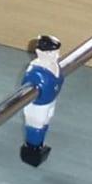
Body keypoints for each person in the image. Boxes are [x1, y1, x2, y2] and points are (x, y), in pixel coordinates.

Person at [19, 34, 65, 167]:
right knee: (37, 125)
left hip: (50, 100)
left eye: (56, 52)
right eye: (51, 52)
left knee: (45, 121)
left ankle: (39, 144)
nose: (56, 55)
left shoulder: (54, 66)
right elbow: (25, 86)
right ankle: (32, 148)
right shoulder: (35, 71)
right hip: (38, 105)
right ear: (40, 52)